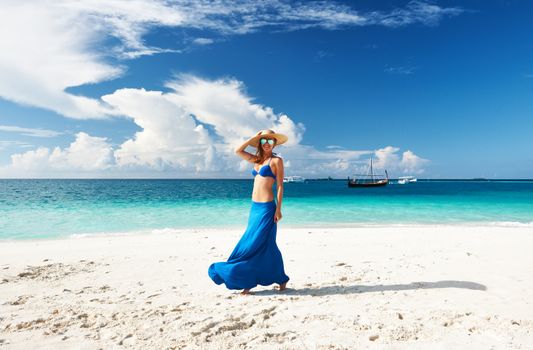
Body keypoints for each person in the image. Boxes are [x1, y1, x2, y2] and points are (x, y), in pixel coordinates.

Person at [208, 129, 290, 295]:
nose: (267, 143)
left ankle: (252, 281)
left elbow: (280, 186)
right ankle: (280, 278)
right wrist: (253, 138)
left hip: (267, 208)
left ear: (274, 143)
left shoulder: (276, 161)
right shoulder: (256, 160)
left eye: (270, 141)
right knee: (262, 244)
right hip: (255, 208)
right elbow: (237, 151)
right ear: (259, 143)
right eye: (263, 141)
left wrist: (279, 209)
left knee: (255, 244)